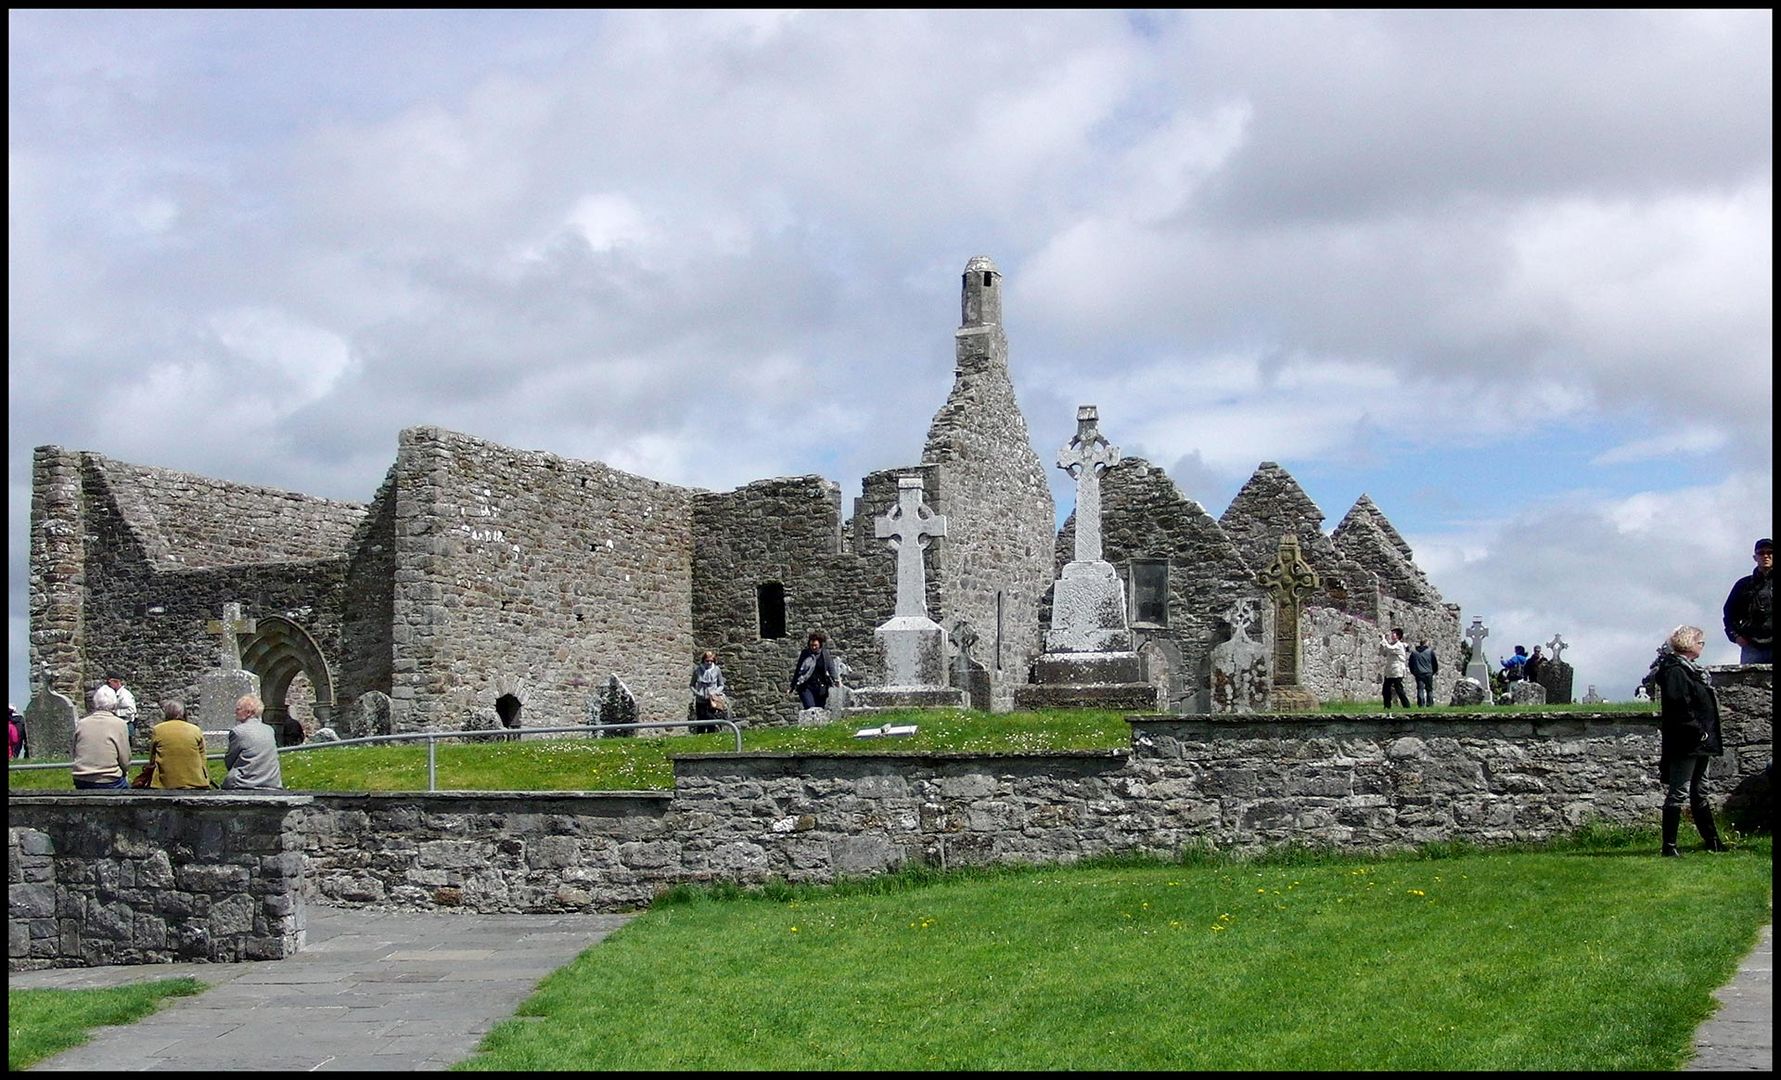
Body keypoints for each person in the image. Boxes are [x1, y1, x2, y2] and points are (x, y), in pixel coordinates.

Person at [1650, 625, 1727, 856]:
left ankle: (1712, 841)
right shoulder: (1675, 670)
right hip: (1686, 740)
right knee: (1679, 791)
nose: (1702, 646)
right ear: (1688, 643)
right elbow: (1679, 704)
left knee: (1700, 790)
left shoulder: (1690, 669)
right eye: (1700, 642)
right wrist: (1696, 729)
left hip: (1700, 740)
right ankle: (1669, 847)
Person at [1722, 537, 1773, 664]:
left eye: (1770, 552)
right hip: (1752, 646)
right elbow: (1729, 613)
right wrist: (1735, 636)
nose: (1765, 556)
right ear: (1755, 557)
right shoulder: (1743, 585)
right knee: (1748, 682)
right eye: (1761, 553)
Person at [72, 685, 131, 790]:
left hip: (81, 778)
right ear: (114, 703)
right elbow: (125, 760)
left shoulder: (82, 723)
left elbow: (75, 752)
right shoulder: (119, 724)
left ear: (95, 703)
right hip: (109, 779)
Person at [223, 694, 283, 791]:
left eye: (238, 709)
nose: (235, 712)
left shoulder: (238, 731)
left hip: (244, 782)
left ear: (248, 712)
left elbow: (229, 760)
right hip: (272, 782)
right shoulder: (269, 730)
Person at [146, 699, 210, 790]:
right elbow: (203, 758)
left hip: (165, 783)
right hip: (196, 782)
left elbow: (152, 758)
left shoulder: (158, 730)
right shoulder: (196, 730)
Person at [791, 631, 840, 710]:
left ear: (820, 645)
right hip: (806, 686)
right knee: (810, 707)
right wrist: (792, 686)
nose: (813, 647)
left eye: (815, 645)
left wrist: (836, 679)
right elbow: (798, 670)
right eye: (811, 645)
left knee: (820, 709)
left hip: (821, 687)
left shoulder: (825, 654)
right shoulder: (805, 654)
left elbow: (831, 667)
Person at [689, 650, 729, 734]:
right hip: (700, 699)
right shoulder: (698, 670)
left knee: (711, 720)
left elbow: (721, 685)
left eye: (711, 661)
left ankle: (711, 737)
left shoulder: (716, 670)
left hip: (712, 700)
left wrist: (715, 692)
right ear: (703, 660)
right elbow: (691, 685)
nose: (709, 663)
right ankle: (700, 738)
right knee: (701, 720)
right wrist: (697, 693)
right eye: (707, 661)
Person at [1378, 628, 1411, 709]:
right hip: (1389, 671)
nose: (1392, 635)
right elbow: (1383, 652)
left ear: (1398, 636)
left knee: (1399, 689)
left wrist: (1383, 639)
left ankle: (1406, 705)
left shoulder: (1399, 645)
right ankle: (1387, 706)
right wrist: (1382, 644)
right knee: (1385, 689)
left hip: (1397, 670)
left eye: (1394, 634)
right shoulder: (1391, 644)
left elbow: (1389, 648)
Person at [105, 672, 139, 744]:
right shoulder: (116, 694)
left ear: (116, 682)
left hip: (126, 724)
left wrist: (115, 712)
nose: (109, 686)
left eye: (110, 683)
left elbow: (131, 710)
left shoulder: (125, 695)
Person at [1408, 638, 1440, 707]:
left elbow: (1410, 663)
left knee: (1420, 689)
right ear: (1426, 643)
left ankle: (1421, 704)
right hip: (1428, 673)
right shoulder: (1430, 651)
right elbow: (1434, 663)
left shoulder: (1414, 652)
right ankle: (1430, 704)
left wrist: (1413, 672)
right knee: (1429, 689)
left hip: (1419, 673)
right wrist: (1434, 671)